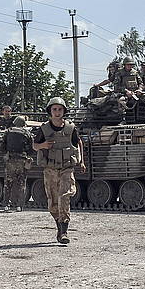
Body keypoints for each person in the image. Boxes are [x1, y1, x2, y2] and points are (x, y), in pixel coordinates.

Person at [33, 97, 86, 244]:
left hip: (66, 168)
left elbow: (78, 142)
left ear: (64, 111)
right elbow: (34, 146)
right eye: (54, 109)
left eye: (60, 109)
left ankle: (64, 232)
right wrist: (43, 145)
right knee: (52, 202)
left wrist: (81, 161)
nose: (57, 112)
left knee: (64, 197)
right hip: (50, 169)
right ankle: (59, 226)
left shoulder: (70, 128)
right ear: (50, 111)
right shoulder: (44, 129)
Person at [0, 116, 34, 212]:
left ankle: (6, 205)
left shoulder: (8, 131)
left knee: (8, 183)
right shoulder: (27, 133)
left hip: (10, 160)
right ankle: (19, 206)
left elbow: (1, 143)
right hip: (22, 160)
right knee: (21, 183)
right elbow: (32, 147)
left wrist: (6, 152)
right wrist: (28, 154)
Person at [113, 57, 145, 123]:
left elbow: (140, 83)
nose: (130, 66)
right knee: (121, 100)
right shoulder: (119, 73)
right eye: (128, 64)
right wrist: (126, 91)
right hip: (125, 93)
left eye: (131, 65)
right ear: (124, 65)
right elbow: (117, 86)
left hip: (136, 93)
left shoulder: (135, 72)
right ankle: (123, 119)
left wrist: (139, 90)